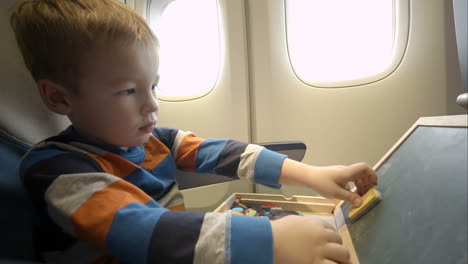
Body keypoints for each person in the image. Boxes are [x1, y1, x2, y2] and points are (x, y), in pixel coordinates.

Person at [10, 0, 377, 263]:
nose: (151, 105)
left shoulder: (154, 140)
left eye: (153, 86)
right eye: (128, 91)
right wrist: (268, 240)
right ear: (59, 98)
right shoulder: (56, 169)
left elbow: (225, 153)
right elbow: (138, 230)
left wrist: (311, 175)